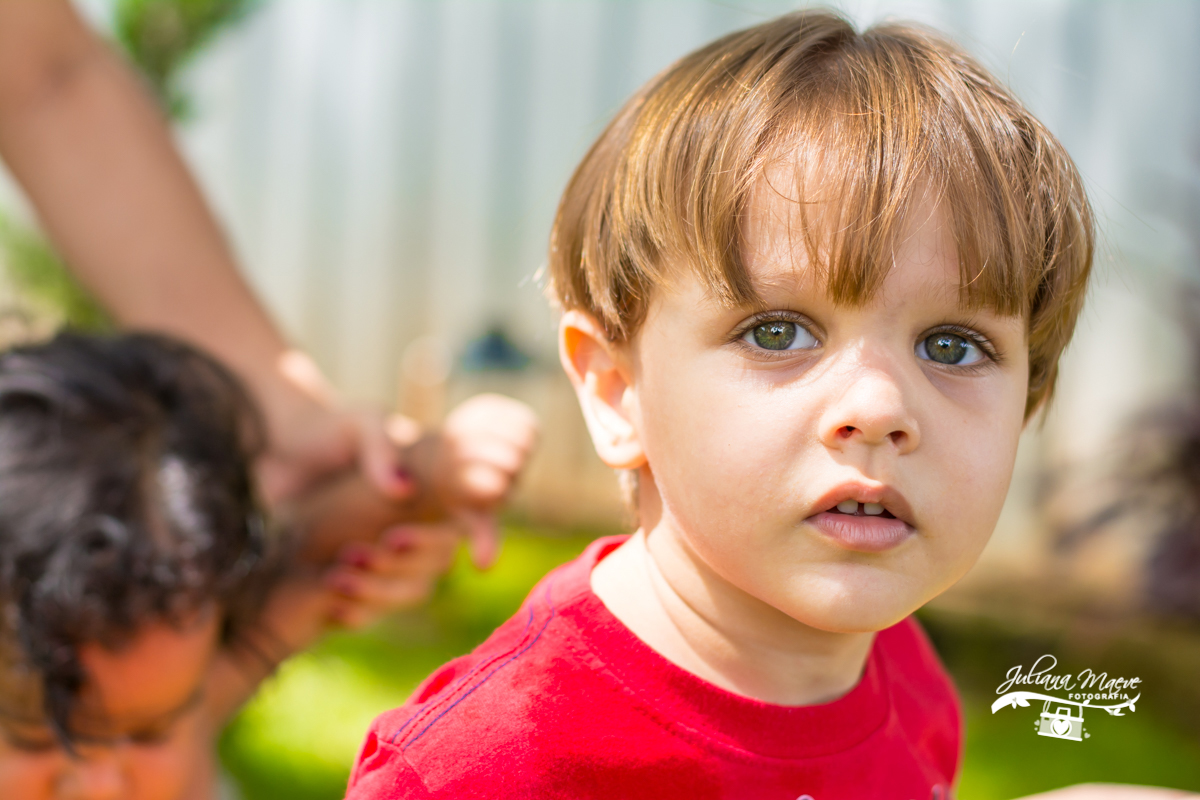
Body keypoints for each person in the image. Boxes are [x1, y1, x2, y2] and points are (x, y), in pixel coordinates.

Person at [344, 10, 1194, 800]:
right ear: (615, 388)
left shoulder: (905, 677)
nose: (877, 406)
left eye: (952, 346)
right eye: (779, 331)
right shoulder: (483, 767)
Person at [0, 331, 532, 800]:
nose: (101, 785)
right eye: (37, 736)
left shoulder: (184, 673)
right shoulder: (149, 691)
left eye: (151, 734)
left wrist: (431, 470)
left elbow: (316, 543)